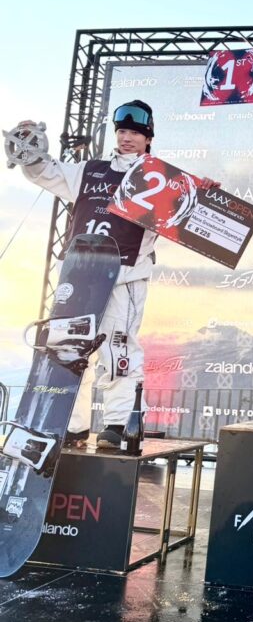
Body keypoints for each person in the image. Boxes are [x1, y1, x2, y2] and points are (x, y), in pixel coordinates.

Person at [10, 100, 219, 449]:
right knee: (69, 349)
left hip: (124, 274)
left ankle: (118, 424)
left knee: (117, 348)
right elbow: (45, 172)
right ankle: (72, 425)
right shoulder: (90, 170)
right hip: (78, 274)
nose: (126, 138)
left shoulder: (162, 181)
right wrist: (28, 144)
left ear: (148, 138)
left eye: (135, 133)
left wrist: (204, 194)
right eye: (122, 131)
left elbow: (195, 216)